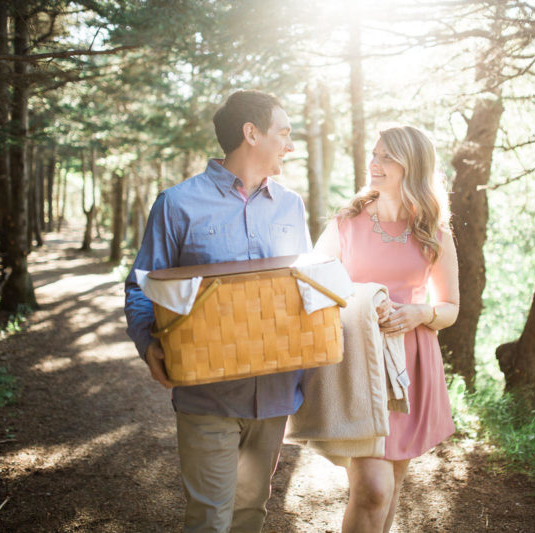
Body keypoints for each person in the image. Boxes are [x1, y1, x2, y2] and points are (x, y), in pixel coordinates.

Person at [124, 90, 311, 533]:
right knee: (209, 519)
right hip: (207, 394)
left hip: (275, 392)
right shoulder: (177, 204)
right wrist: (147, 342)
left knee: (250, 513)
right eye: (283, 133)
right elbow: (141, 284)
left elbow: (306, 288)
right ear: (252, 134)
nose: (289, 144)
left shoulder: (291, 206)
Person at [314, 125, 459, 533]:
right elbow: (314, 284)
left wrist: (421, 314)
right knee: (373, 489)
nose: (373, 164)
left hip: (411, 366)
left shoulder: (433, 231)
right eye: (373, 155)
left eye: (386, 157)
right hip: (359, 361)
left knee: (391, 485)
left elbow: (450, 308)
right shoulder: (347, 222)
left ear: (411, 166)